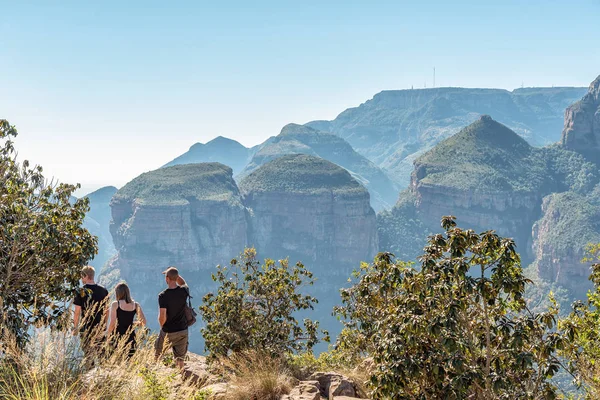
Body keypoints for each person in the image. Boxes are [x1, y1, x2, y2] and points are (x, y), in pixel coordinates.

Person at [155, 266, 189, 369]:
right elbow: (184, 283)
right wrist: (175, 275)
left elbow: (162, 316)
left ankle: (155, 373)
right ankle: (182, 377)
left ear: (167, 279)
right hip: (183, 329)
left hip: (168, 331)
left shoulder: (163, 296)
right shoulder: (184, 291)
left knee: (158, 352)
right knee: (180, 358)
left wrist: (163, 327)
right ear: (176, 277)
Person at [73, 265, 109, 355]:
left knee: (88, 357)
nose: (81, 278)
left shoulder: (80, 291)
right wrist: (105, 325)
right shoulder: (103, 290)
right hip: (100, 328)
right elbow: (107, 310)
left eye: (82, 276)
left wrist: (75, 327)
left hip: (86, 328)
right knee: (101, 355)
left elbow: (77, 312)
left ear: (85, 276)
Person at [106, 282, 147, 357]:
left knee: (115, 361)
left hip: (117, 337)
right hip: (131, 337)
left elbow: (112, 323)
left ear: (118, 293)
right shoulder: (136, 305)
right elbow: (143, 322)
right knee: (129, 361)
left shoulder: (115, 304)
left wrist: (108, 336)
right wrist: (132, 323)